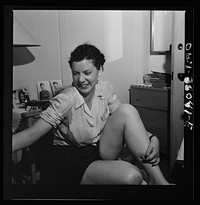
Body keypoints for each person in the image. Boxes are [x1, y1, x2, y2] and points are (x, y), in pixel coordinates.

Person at [12, 43, 171, 185]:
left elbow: (129, 123)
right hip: (70, 160)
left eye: (87, 72)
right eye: (75, 73)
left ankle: (158, 180)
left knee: (127, 110)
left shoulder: (105, 89)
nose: (81, 80)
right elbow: (30, 135)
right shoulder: (66, 99)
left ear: (100, 70)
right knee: (133, 177)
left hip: (98, 149)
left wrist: (152, 138)